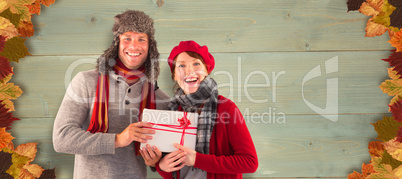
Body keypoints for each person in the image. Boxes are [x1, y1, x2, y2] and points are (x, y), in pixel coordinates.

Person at [52, 10, 170, 178]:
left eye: (141, 39)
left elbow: (163, 156)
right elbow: (61, 138)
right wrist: (117, 140)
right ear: (117, 43)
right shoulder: (86, 81)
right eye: (127, 38)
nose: (134, 46)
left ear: (150, 46)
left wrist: (154, 162)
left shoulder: (160, 100)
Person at [140, 40, 258, 178]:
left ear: (207, 70)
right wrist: (160, 166)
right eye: (181, 65)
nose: (189, 70)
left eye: (196, 64)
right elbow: (177, 173)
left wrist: (197, 159)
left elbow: (250, 163)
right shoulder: (172, 111)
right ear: (174, 75)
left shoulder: (226, 108)